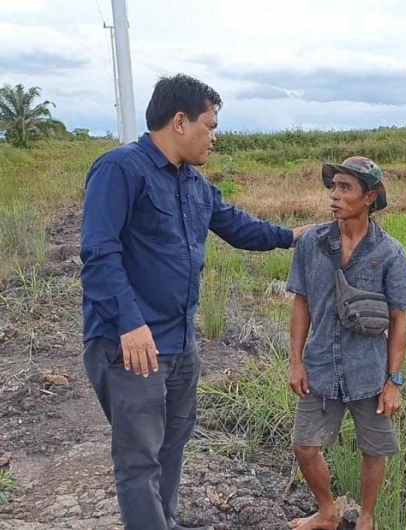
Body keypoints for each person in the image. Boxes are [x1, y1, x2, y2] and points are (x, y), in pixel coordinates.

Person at [80, 73, 312, 530]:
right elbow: (98, 254)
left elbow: (237, 226)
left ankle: (162, 520)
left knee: (172, 443)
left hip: (180, 340)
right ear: (180, 121)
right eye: (210, 126)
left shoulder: (195, 185)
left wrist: (293, 237)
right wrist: (130, 324)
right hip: (132, 345)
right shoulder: (121, 169)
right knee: (139, 459)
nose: (214, 137)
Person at [285, 156, 406, 530]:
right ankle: (327, 512)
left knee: (374, 449)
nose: (335, 195)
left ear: (370, 197)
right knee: (305, 445)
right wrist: (295, 360)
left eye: (346, 188)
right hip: (321, 367)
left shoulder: (389, 252)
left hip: (369, 371)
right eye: (333, 186)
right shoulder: (312, 243)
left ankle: (366, 518)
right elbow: (301, 304)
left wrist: (395, 381)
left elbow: (399, 319)